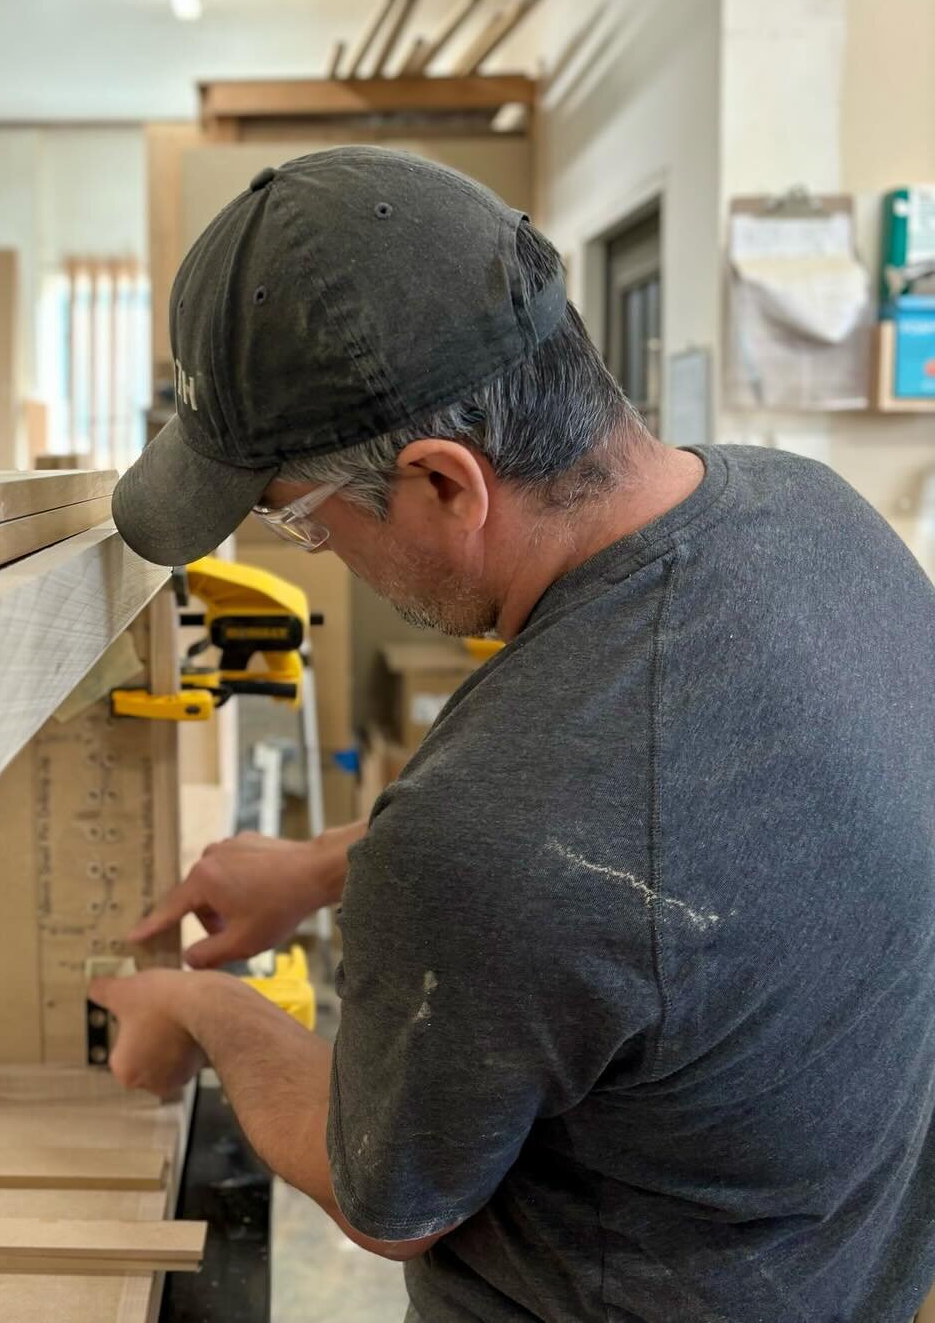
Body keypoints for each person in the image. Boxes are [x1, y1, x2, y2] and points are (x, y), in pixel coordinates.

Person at [94, 147, 935, 1321]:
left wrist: (202, 1010)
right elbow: (682, 850)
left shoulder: (493, 831)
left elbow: (393, 1199)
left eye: (303, 523)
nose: (317, 553)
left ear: (445, 482)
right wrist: (339, 863)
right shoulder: (815, 517)